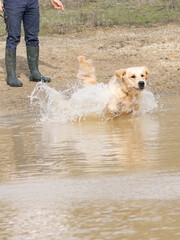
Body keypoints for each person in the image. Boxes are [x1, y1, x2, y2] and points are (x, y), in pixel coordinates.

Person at [0, 0, 64, 87]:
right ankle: (11, 76)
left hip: (32, 3)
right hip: (12, 3)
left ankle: (35, 73)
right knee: (13, 37)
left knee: (33, 37)